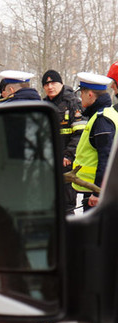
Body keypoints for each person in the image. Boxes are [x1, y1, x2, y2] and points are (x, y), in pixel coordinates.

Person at [72, 72, 118, 211]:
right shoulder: (107, 114)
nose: (80, 97)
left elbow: (106, 158)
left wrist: (97, 192)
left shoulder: (102, 119)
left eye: (82, 93)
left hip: (97, 195)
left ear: (90, 94)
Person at [41, 69, 85, 214]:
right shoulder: (43, 105)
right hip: (48, 165)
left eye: (53, 83)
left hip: (66, 164)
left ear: (61, 84)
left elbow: (80, 134)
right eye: (46, 84)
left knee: (67, 206)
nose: (50, 87)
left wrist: (68, 155)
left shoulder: (72, 103)